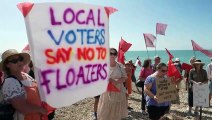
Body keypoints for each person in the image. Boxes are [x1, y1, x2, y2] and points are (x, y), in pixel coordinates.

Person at [0, 49, 47, 120]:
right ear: (7, 65)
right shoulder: (10, 82)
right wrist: (41, 109)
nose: (19, 62)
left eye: (20, 59)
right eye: (14, 61)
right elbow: (22, 108)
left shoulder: (26, 75)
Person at [97, 48, 128, 120]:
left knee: (116, 110)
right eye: (110, 53)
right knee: (106, 110)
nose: (112, 55)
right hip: (107, 92)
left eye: (114, 53)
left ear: (116, 55)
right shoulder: (103, 65)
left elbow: (124, 77)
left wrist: (116, 81)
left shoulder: (120, 65)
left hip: (118, 90)